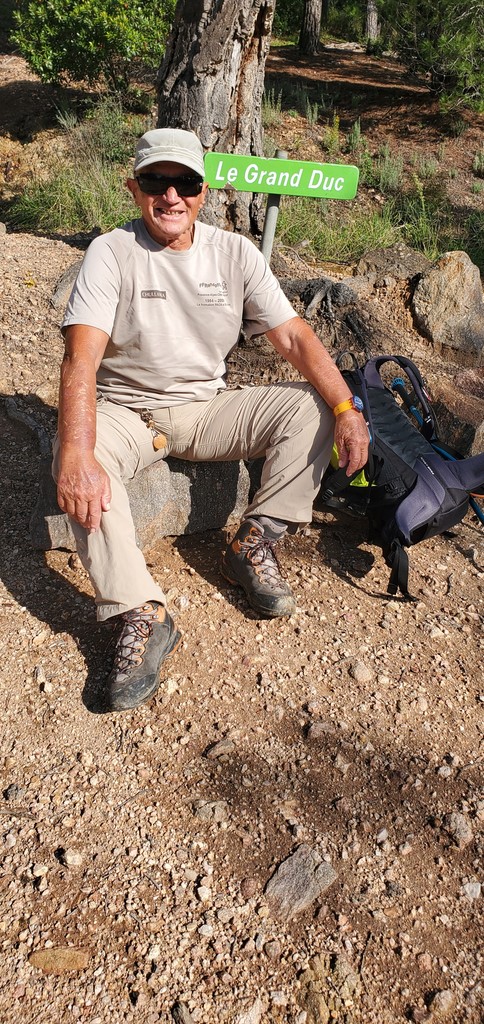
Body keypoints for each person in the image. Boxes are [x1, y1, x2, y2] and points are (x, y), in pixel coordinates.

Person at [53, 128, 369, 712]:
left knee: (312, 405)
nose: (171, 196)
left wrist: (347, 409)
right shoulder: (111, 252)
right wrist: (74, 452)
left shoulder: (235, 254)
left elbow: (293, 336)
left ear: (205, 192)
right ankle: (140, 612)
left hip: (205, 409)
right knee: (80, 458)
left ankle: (255, 541)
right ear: (134, 189)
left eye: (186, 183)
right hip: (125, 408)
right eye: (156, 181)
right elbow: (81, 359)